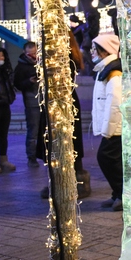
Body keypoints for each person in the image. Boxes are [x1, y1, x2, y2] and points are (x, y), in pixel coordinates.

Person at [37, 31, 90, 199]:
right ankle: (62, 181)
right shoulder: (68, 53)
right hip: (58, 101)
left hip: (60, 101)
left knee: (64, 142)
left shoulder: (63, 55)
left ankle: (67, 182)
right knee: (62, 142)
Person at [91, 33, 123, 211]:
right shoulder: (105, 69)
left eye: (95, 48)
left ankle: (122, 194)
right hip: (113, 126)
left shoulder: (113, 72)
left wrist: (108, 129)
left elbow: (115, 103)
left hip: (116, 127)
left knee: (106, 158)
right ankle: (117, 194)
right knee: (111, 159)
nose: (91, 52)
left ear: (104, 51)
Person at [14, 41, 40, 167]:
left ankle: (44, 155)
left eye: (35, 52)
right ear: (25, 52)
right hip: (32, 101)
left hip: (45, 101)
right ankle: (31, 157)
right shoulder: (21, 66)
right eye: (31, 53)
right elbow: (18, 84)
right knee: (33, 130)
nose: (34, 55)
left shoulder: (41, 62)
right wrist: (29, 81)